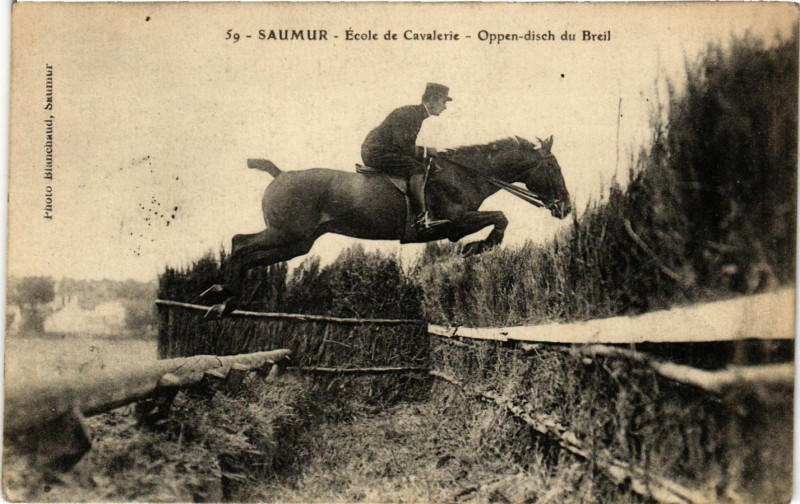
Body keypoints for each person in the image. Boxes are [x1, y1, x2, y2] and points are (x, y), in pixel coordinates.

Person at [361, 82, 452, 232]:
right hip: (375, 152)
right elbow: (402, 146)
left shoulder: (416, 114)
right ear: (433, 99)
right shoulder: (410, 114)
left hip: (380, 150)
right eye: (443, 102)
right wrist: (426, 151)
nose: (445, 107)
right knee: (417, 169)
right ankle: (421, 219)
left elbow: (404, 146)